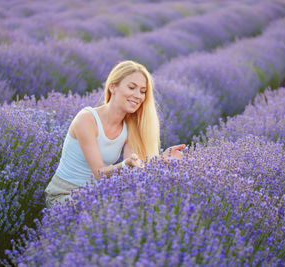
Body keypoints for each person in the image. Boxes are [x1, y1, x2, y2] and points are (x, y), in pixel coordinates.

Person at [44, 60, 186, 208]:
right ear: (113, 87)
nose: (138, 95)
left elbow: (136, 166)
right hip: (64, 195)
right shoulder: (87, 119)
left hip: (95, 194)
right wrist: (125, 165)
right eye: (132, 87)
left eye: (143, 91)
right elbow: (99, 173)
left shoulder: (129, 127)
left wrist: (161, 160)